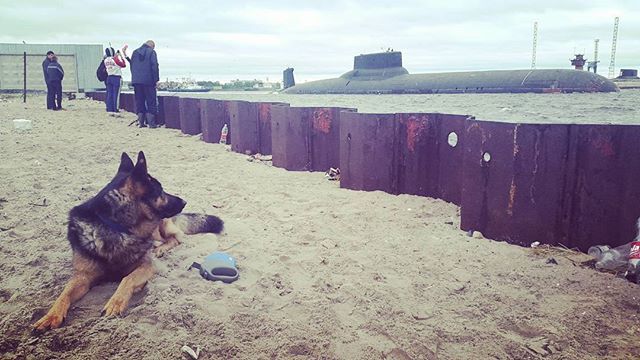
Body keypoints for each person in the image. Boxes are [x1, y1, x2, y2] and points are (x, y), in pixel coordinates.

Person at [124, 40, 159, 128]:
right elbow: (154, 66)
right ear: (152, 46)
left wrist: (135, 78)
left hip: (136, 81)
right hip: (148, 81)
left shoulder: (135, 52)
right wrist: (156, 80)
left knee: (139, 101)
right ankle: (151, 123)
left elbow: (132, 65)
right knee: (151, 101)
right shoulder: (152, 52)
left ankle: (141, 122)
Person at [104, 47, 126, 115]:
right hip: (116, 77)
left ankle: (109, 109)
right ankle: (115, 109)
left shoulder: (105, 60)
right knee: (116, 94)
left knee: (109, 94)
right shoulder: (115, 59)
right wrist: (120, 56)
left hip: (109, 77)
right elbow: (123, 64)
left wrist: (116, 56)